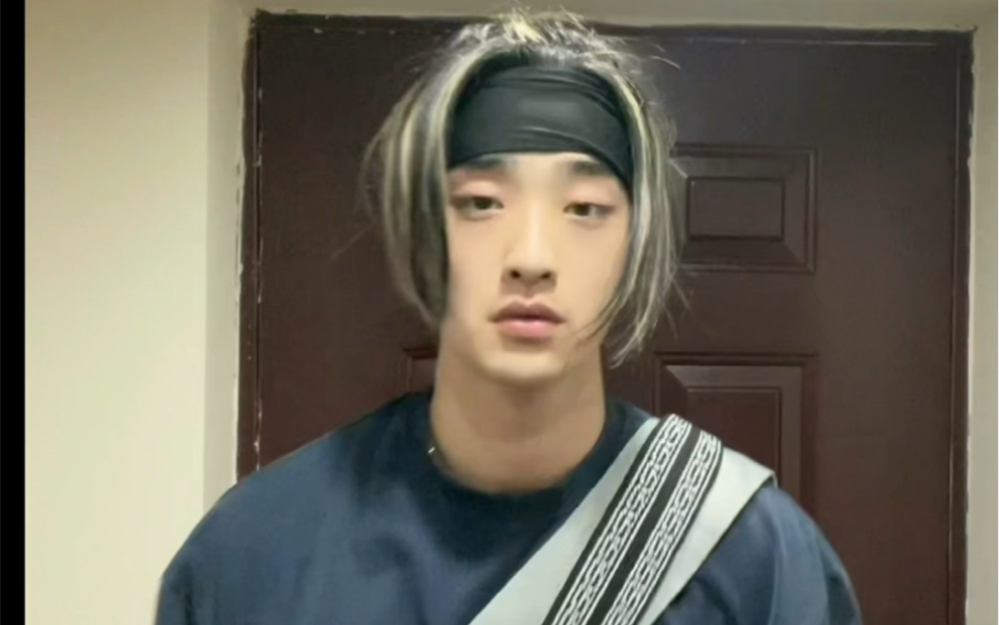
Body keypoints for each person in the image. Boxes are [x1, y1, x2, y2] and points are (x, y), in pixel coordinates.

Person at [156, 10, 863, 625]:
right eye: (481, 203)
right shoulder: (254, 554)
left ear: (635, 241)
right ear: (426, 228)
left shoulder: (759, 559)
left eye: (584, 209)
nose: (531, 257)